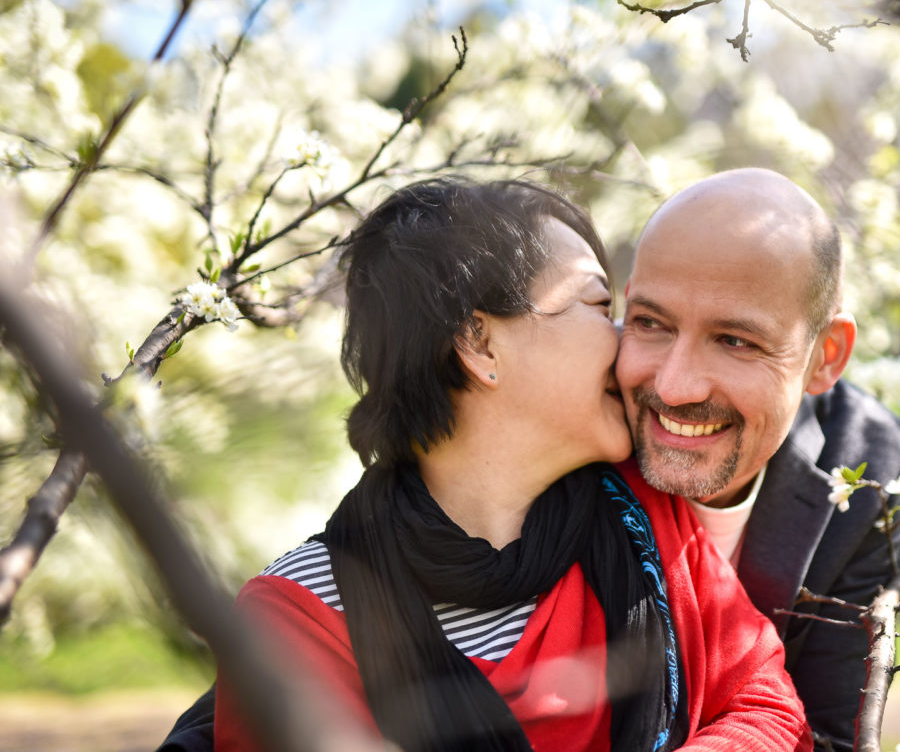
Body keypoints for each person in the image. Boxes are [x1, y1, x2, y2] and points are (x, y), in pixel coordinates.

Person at [201, 178, 808, 752]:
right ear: (480, 343)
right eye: (599, 306)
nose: (628, 340)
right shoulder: (300, 614)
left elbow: (767, 708)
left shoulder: (642, 517)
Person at [615, 168, 900, 752]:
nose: (675, 386)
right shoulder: (567, 411)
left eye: (735, 341)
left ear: (825, 356)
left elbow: (827, 736)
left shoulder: (874, 474)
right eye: (650, 323)